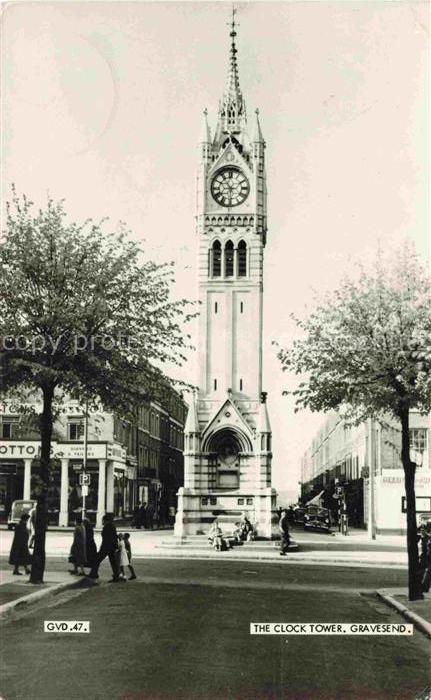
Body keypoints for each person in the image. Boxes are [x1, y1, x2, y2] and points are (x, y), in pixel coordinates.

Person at [88, 513, 121, 582]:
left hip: (106, 547)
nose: (102, 521)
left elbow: (107, 538)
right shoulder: (112, 526)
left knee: (97, 560)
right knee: (113, 562)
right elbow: (114, 537)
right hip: (111, 547)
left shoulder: (107, 527)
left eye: (103, 520)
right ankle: (116, 576)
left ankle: (93, 573)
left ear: (106, 520)